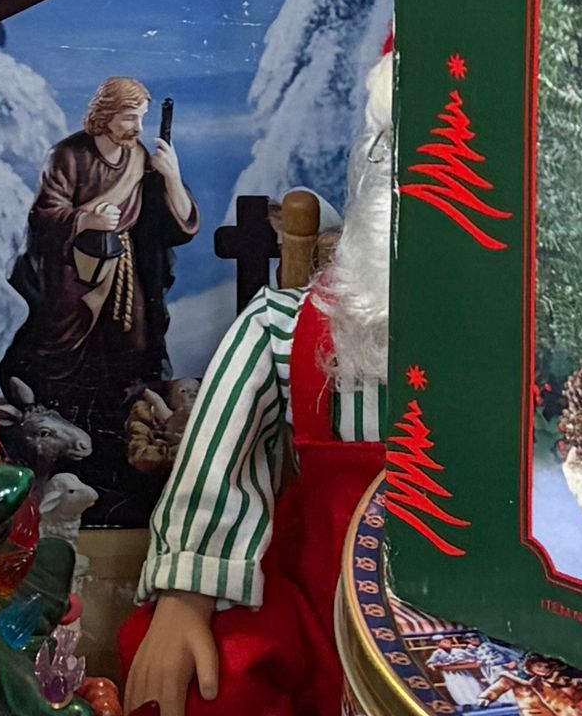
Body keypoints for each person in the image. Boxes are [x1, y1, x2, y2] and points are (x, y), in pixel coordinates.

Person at [120, 49, 393, 716]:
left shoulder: (523, 363)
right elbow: (218, 471)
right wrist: (187, 593)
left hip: (484, 616)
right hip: (327, 617)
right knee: (215, 670)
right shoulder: (283, 331)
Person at [2, 79, 200, 472]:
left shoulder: (138, 157)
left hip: (125, 270)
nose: (137, 127)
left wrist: (172, 177)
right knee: (61, 352)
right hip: (73, 275)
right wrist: (85, 219)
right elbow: (44, 216)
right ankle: (65, 432)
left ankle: (122, 437)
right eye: (128, 118)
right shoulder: (67, 156)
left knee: (134, 347)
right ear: (104, 115)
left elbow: (176, 224)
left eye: (141, 118)